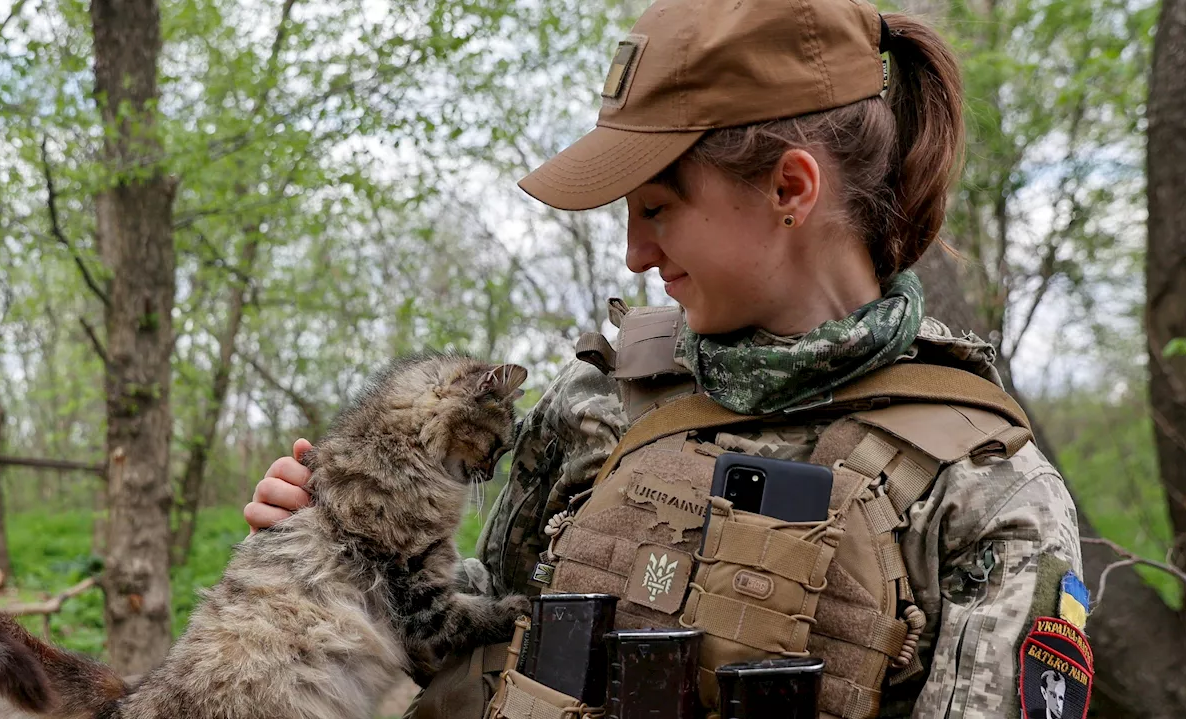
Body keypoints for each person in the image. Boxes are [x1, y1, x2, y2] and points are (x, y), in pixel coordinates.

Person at [244, 0, 1085, 717]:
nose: (636, 253)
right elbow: (484, 622)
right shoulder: (599, 397)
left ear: (791, 189)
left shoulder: (987, 493)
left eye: (658, 207)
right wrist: (348, 560)